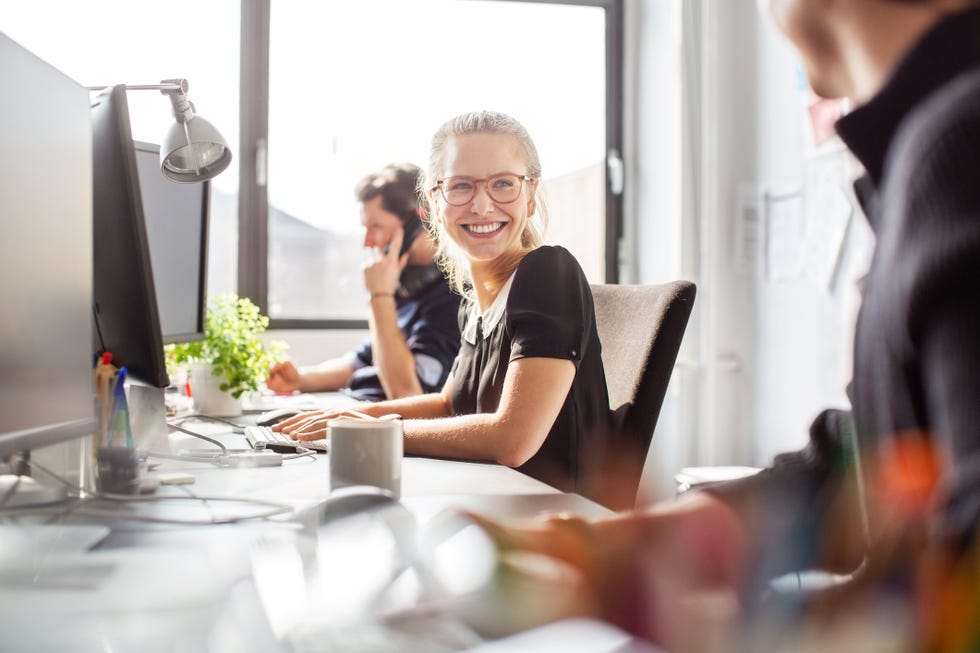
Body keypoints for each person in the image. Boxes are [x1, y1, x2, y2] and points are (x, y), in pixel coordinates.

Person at [454, 1, 980, 650]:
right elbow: (869, 454)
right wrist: (616, 543)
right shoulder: (924, 154)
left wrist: (708, 628)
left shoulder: (959, 148)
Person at [276, 111, 614, 496]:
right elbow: (447, 403)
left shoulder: (548, 272)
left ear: (531, 197)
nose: (483, 206)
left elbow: (513, 439)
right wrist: (353, 417)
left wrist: (385, 430)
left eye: (503, 183)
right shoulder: (474, 301)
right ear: (435, 203)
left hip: (555, 526)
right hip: (485, 503)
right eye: (461, 186)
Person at [266, 163, 461, 401]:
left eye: (376, 227)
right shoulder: (407, 284)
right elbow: (362, 361)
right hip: (361, 406)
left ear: (418, 221)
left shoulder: (455, 293)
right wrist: (302, 379)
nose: (367, 243)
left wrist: (380, 296)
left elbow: (407, 393)